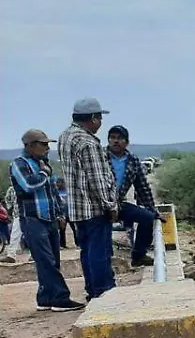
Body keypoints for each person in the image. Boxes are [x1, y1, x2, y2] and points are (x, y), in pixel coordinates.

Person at [9, 130, 84, 311]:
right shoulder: (19, 164)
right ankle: (60, 298)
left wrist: (60, 214)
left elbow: (53, 192)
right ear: (30, 145)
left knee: (52, 261)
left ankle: (45, 298)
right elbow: (28, 185)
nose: (47, 148)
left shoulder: (44, 164)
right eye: (43, 144)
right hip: (33, 219)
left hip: (49, 218)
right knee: (45, 261)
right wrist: (43, 173)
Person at [59, 98, 119, 301]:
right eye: (99, 118)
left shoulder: (65, 137)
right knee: (100, 251)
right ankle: (104, 291)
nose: (101, 122)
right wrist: (110, 205)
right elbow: (97, 179)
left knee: (87, 251)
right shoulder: (88, 142)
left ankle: (93, 290)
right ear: (92, 118)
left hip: (77, 208)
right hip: (93, 208)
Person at [107, 125, 165, 267]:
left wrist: (152, 209)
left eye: (120, 138)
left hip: (118, 203)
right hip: (99, 204)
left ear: (127, 142)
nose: (116, 141)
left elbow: (142, 187)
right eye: (112, 138)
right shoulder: (100, 157)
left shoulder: (132, 160)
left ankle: (139, 256)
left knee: (147, 217)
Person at [2, 185, 22, 262]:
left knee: (31, 235)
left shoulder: (14, 188)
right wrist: (10, 208)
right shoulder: (12, 188)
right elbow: (7, 199)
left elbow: (7, 200)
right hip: (19, 213)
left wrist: (10, 208)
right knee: (15, 234)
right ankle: (11, 255)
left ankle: (11, 255)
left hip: (25, 213)